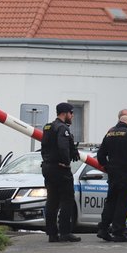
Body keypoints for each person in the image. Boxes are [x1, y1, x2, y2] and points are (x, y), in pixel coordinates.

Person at [96, 109, 127, 242]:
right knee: (123, 202)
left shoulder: (109, 133)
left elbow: (100, 155)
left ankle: (103, 228)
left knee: (111, 201)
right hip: (126, 173)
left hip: (113, 174)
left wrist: (107, 166)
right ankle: (118, 231)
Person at [40, 102, 81, 243]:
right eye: (71, 113)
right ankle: (65, 232)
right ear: (64, 113)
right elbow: (63, 147)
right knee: (67, 200)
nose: (72, 116)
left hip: (47, 167)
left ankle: (52, 234)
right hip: (60, 168)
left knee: (52, 201)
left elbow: (44, 147)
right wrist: (66, 162)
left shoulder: (48, 127)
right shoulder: (62, 128)